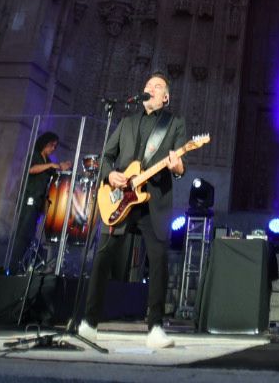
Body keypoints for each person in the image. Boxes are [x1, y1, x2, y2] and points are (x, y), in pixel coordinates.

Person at [76, 73, 187, 350]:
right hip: (119, 199)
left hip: (153, 200)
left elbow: (180, 166)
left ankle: (156, 327)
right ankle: (89, 323)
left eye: (158, 86)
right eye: (148, 84)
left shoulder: (174, 124)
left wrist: (177, 167)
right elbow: (106, 156)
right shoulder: (125, 122)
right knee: (103, 258)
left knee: (158, 261)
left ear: (166, 97)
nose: (151, 88)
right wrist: (109, 175)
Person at [11, 131, 72, 273]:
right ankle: (13, 265)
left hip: (39, 202)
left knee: (29, 233)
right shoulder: (36, 155)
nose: (53, 148)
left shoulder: (47, 161)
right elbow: (31, 169)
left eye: (55, 146)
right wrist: (51, 165)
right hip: (29, 198)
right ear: (45, 143)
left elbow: (54, 174)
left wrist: (61, 166)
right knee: (22, 233)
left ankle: (21, 264)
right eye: (52, 145)